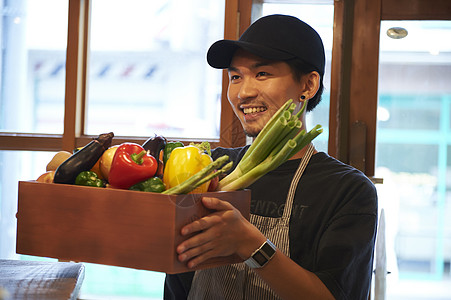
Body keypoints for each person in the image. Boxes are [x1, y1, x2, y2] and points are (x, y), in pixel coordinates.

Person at [164, 14, 377, 300]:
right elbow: (177, 281)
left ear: (308, 86)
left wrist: (250, 244)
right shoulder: (212, 169)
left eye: (262, 74)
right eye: (235, 77)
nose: (243, 92)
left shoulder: (347, 190)